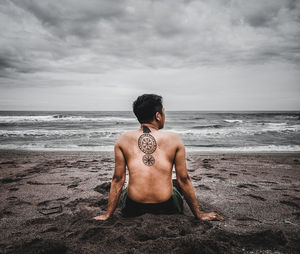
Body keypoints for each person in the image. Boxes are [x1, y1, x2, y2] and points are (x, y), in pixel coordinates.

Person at [93, 94, 223, 221]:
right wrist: (199, 215)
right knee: (177, 184)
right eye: (163, 112)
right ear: (158, 116)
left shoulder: (122, 140)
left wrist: (108, 215)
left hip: (134, 207)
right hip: (166, 206)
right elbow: (184, 179)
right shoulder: (174, 139)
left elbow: (118, 179)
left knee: (127, 190)